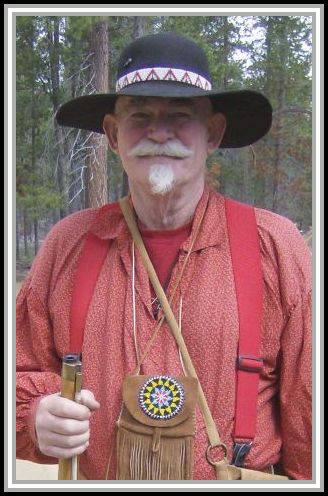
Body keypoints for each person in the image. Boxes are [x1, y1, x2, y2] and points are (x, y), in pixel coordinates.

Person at [16, 32, 312, 481]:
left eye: (179, 115)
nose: (158, 131)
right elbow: (20, 371)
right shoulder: (67, 245)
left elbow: (310, 406)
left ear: (212, 133)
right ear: (114, 135)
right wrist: (34, 417)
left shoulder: (275, 245)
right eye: (139, 115)